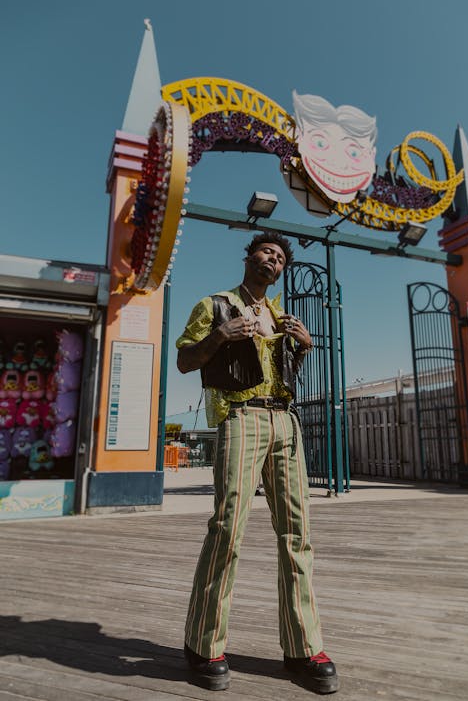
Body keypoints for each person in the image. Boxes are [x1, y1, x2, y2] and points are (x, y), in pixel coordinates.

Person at [176, 232, 338, 695]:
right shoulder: (216, 305)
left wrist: (302, 346)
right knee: (228, 527)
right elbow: (186, 360)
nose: (275, 260)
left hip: (285, 421)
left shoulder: (279, 315)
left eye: (282, 258)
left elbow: (283, 374)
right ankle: (203, 642)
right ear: (249, 258)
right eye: (268, 252)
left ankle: (303, 646)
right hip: (240, 417)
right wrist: (219, 335)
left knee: (298, 532)